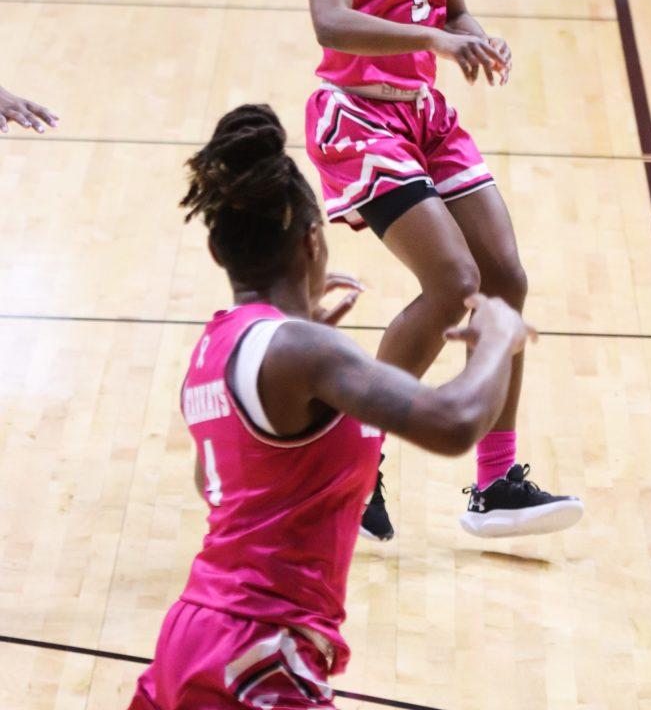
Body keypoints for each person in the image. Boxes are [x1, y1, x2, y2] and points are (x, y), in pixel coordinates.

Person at [127, 103, 533, 710]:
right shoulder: (302, 350)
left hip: (191, 635)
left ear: (220, 253)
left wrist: (306, 355)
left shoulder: (216, 346)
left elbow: (224, 484)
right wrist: (498, 339)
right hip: (261, 649)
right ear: (313, 240)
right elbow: (452, 424)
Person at [296, 0, 583, 541]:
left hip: (425, 113)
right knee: (452, 280)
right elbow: (330, 20)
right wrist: (437, 39)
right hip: (359, 116)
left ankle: (496, 482)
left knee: (505, 280)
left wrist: (475, 35)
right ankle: (352, 452)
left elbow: (453, 6)